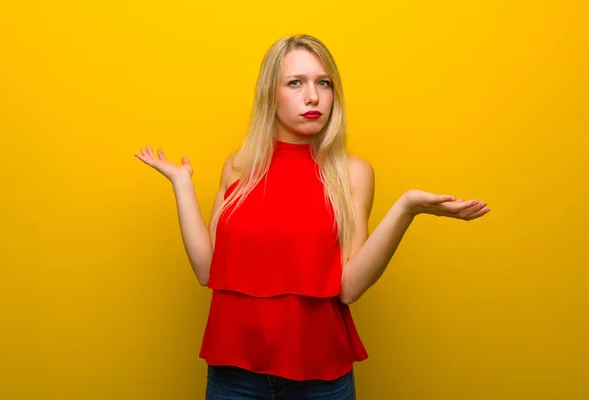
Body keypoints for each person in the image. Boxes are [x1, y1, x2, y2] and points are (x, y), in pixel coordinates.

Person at [135, 34, 490, 400]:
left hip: (320, 378)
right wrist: (181, 184)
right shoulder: (240, 165)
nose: (313, 97)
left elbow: (349, 288)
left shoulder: (353, 173)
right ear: (269, 95)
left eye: (324, 83)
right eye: (295, 83)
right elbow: (208, 271)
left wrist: (406, 209)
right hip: (233, 373)